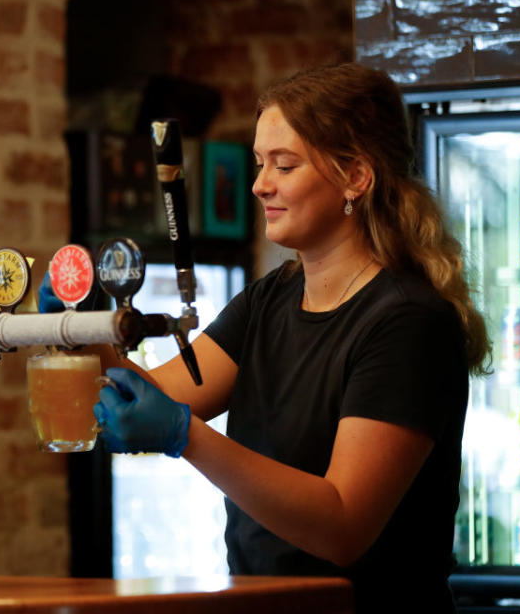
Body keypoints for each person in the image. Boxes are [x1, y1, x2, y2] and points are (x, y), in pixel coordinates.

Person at [40, 62, 490, 613]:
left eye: (285, 164)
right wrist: (79, 331)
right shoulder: (267, 301)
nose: (259, 184)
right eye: (259, 164)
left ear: (356, 177)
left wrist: (188, 437)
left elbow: (343, 524)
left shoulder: (407, 323)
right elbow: (151, 397)